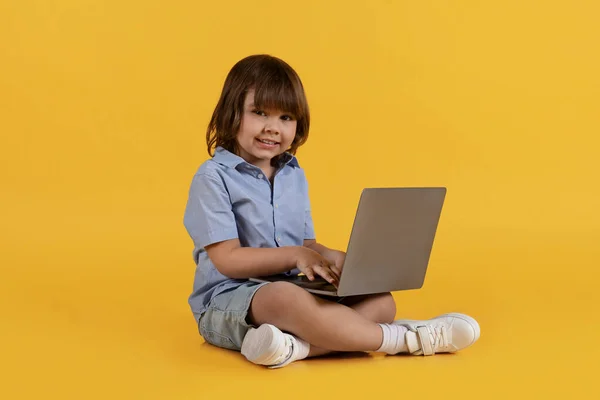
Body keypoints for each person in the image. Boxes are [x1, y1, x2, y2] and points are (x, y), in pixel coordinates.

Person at [183, 54, 480, 368]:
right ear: (232, 114)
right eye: (259, 113)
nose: (273, 128)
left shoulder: (292, 174)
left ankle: (293, 348)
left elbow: (307, 244)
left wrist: (332, 258)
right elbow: (227, 259)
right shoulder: (212, 178)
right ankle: (406, 339)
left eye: (285, 118)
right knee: (285, 297)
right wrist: (296, 255)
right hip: (228, 301)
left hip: (292, 293)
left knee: (380, 301)